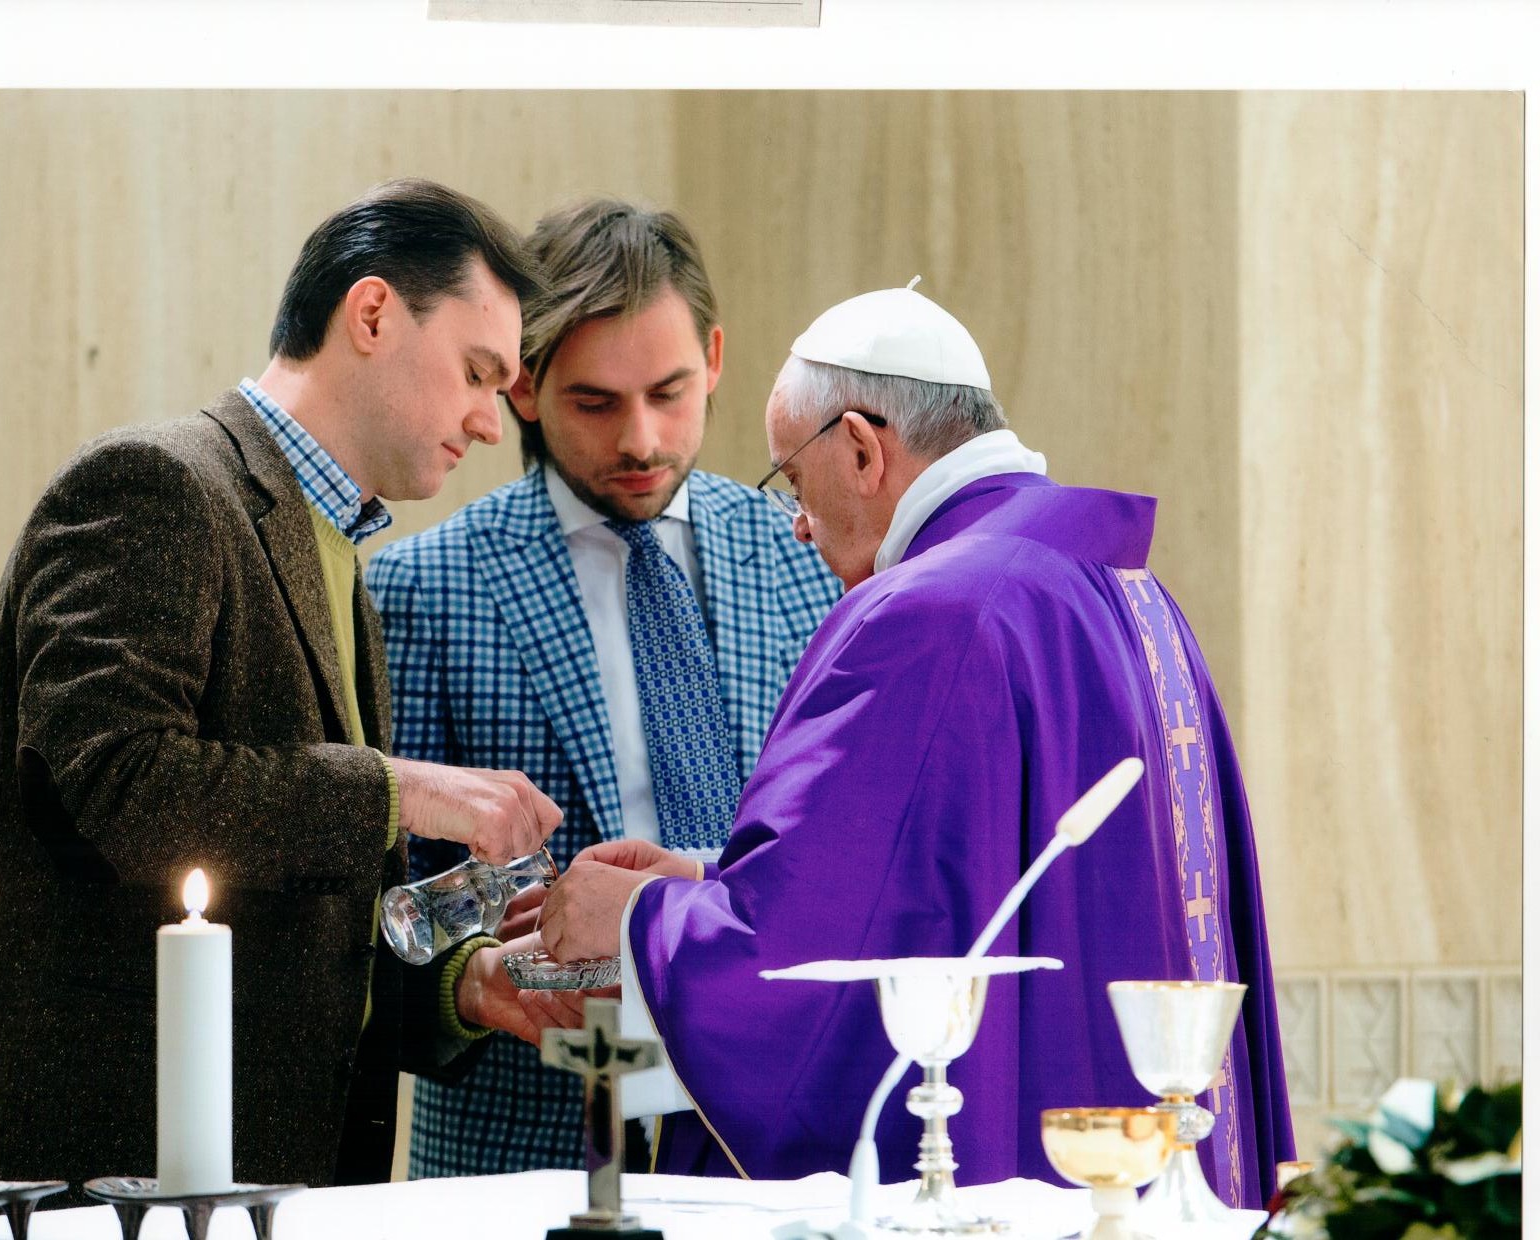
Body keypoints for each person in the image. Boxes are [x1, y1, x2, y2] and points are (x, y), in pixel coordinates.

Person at [0, 179, 576, 1201]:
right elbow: (114, 783)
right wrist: (402, 790)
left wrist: (458, 986)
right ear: (373, 313)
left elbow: (294, 913)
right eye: (478, 373)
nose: (486, 420)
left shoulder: (341, 550)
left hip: (265, 1180)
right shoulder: (155, 484)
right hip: (99, 1173)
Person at [538, 284, 1297, 1204]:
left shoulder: (930, 612)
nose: (797, 521)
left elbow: (805, 965)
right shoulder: (1128, 596)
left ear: (859, 447)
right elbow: (948, 890)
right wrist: (699, 887)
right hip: (1128, 1155)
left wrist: (630, 920)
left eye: (790, 477)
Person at [367, 198, 841, 1177]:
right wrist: (475, 983)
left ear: (714, 357)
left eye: (669, 391)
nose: (640, 438)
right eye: (596, 402)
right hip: (526, 1155)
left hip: (781, 1142)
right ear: (525, 387)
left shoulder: (809, 556)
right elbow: (374, 922)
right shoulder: (423, 588)